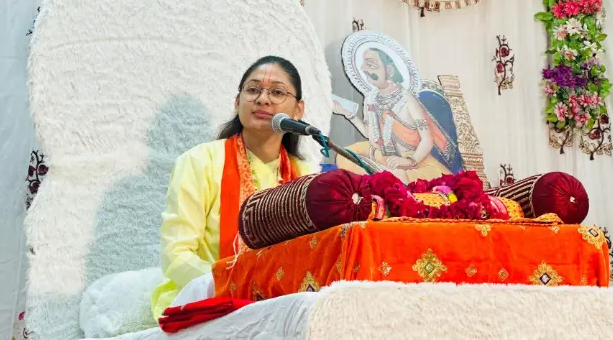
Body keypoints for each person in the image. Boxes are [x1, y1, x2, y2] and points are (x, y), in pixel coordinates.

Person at [151, 56, 312, 320]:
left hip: (280, 306)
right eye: (253, 89)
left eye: (277, 92)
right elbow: (176, 255)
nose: (262, 99)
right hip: (206, 301)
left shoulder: (305, 177)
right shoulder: (200, 162)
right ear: (238, 102)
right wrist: (239, 284)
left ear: (298, 110)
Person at [333, 47, 461, 182]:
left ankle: (382, 175)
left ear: (389, 70)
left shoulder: (407, 100)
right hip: (382, 155)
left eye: (371, 65)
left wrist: (409, 161)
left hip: (415, 160)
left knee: (399, 176)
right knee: (343, 155)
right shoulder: (371, 98)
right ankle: (382, 174)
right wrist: (348, 114)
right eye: (364, 65)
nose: (364, 69)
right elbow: (370, 134)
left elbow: (427, 140)